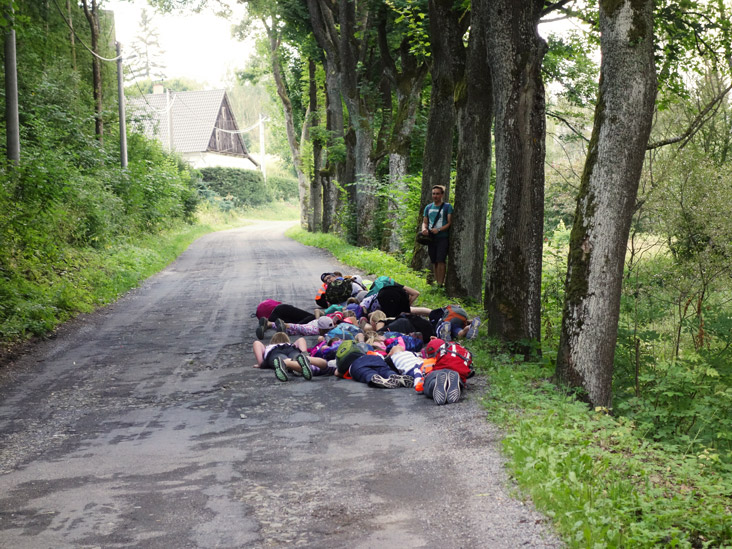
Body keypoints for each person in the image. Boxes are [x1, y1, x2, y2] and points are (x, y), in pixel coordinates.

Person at [252, 332, 331, 382]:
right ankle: (304, 358)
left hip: (274, 352)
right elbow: (301, 340)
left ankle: (286, 364)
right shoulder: (290, 344)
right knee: (296, 358)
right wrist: (305, 353)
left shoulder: (268, 347)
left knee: (283, 360)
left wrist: (260, 363)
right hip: (291, 349)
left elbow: (256, 343)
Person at [421, 185, 453, 287]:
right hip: (431, 238)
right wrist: (424, 229)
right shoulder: (428, 207)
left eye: (437, 194)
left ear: (442, 195)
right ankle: (437, 282)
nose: (435, 196)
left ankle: (440, 284)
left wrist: (439, 230)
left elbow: (449, 223)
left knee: (441, 260)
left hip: (442, 237)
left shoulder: (447, 207)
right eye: (433, 194)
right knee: (434, 261)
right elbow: (425, 222)